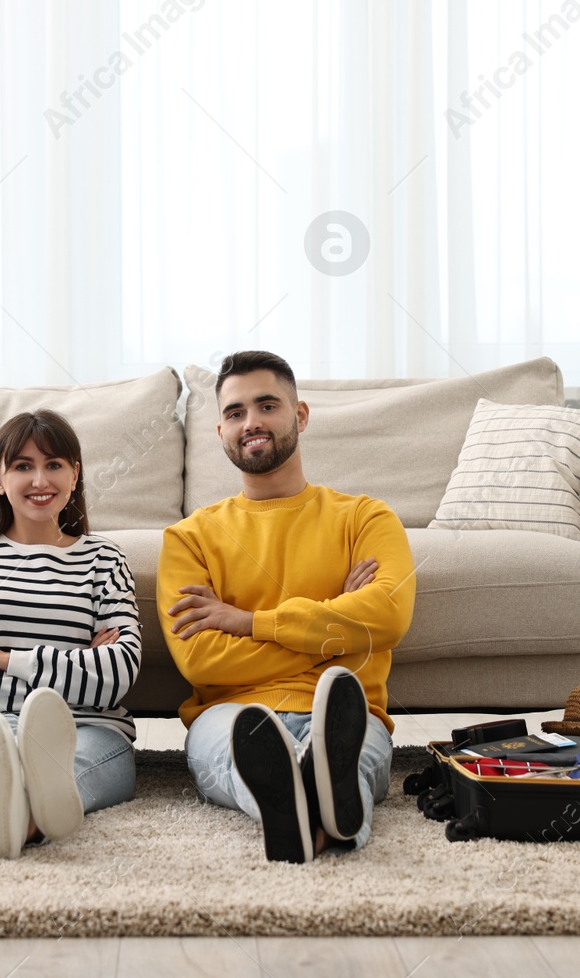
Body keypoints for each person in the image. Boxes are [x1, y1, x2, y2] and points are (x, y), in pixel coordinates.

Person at [159, 350, 416, 862]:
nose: (250, 422)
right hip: (232, 713)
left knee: (351, 761)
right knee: (238, 758)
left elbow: (387, 617)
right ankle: (323, 821)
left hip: (343, 710)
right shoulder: (188, 538)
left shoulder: (366, 517)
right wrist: (337, 630)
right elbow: (202, 659)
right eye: (235, 413)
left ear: (299, 415)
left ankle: (305, 809)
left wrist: (250, 622)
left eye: (266, 405)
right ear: (221, 433)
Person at [0, 410, 143, 859]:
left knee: (67, 767)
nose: (40, 479)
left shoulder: (104, 559)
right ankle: (32, 816)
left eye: (54, 464)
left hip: (90, 731)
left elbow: (119, 673)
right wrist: (77, 671)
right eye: (22, 466)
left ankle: (19, 818)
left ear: (75, 474)